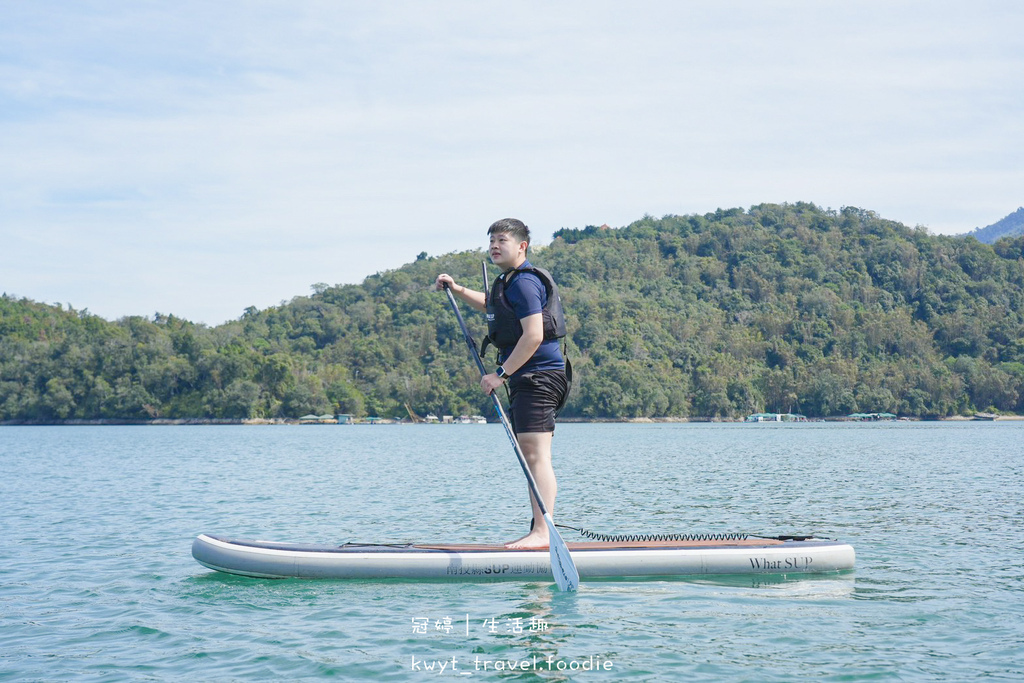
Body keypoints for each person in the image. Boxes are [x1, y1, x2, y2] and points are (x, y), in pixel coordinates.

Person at [435, 218, 570, 549]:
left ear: (522, 246)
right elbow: (491, 306)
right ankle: (539, 529)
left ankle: (541, 533)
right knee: (530, 452)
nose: (495, 245)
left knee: (536, 455)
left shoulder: (525, 283)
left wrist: (500, 375)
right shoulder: (507, 283)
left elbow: (534, 335)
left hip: (538, 376)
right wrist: (457, 288)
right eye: (492, 240)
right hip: (529, 376)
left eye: (503, 240)